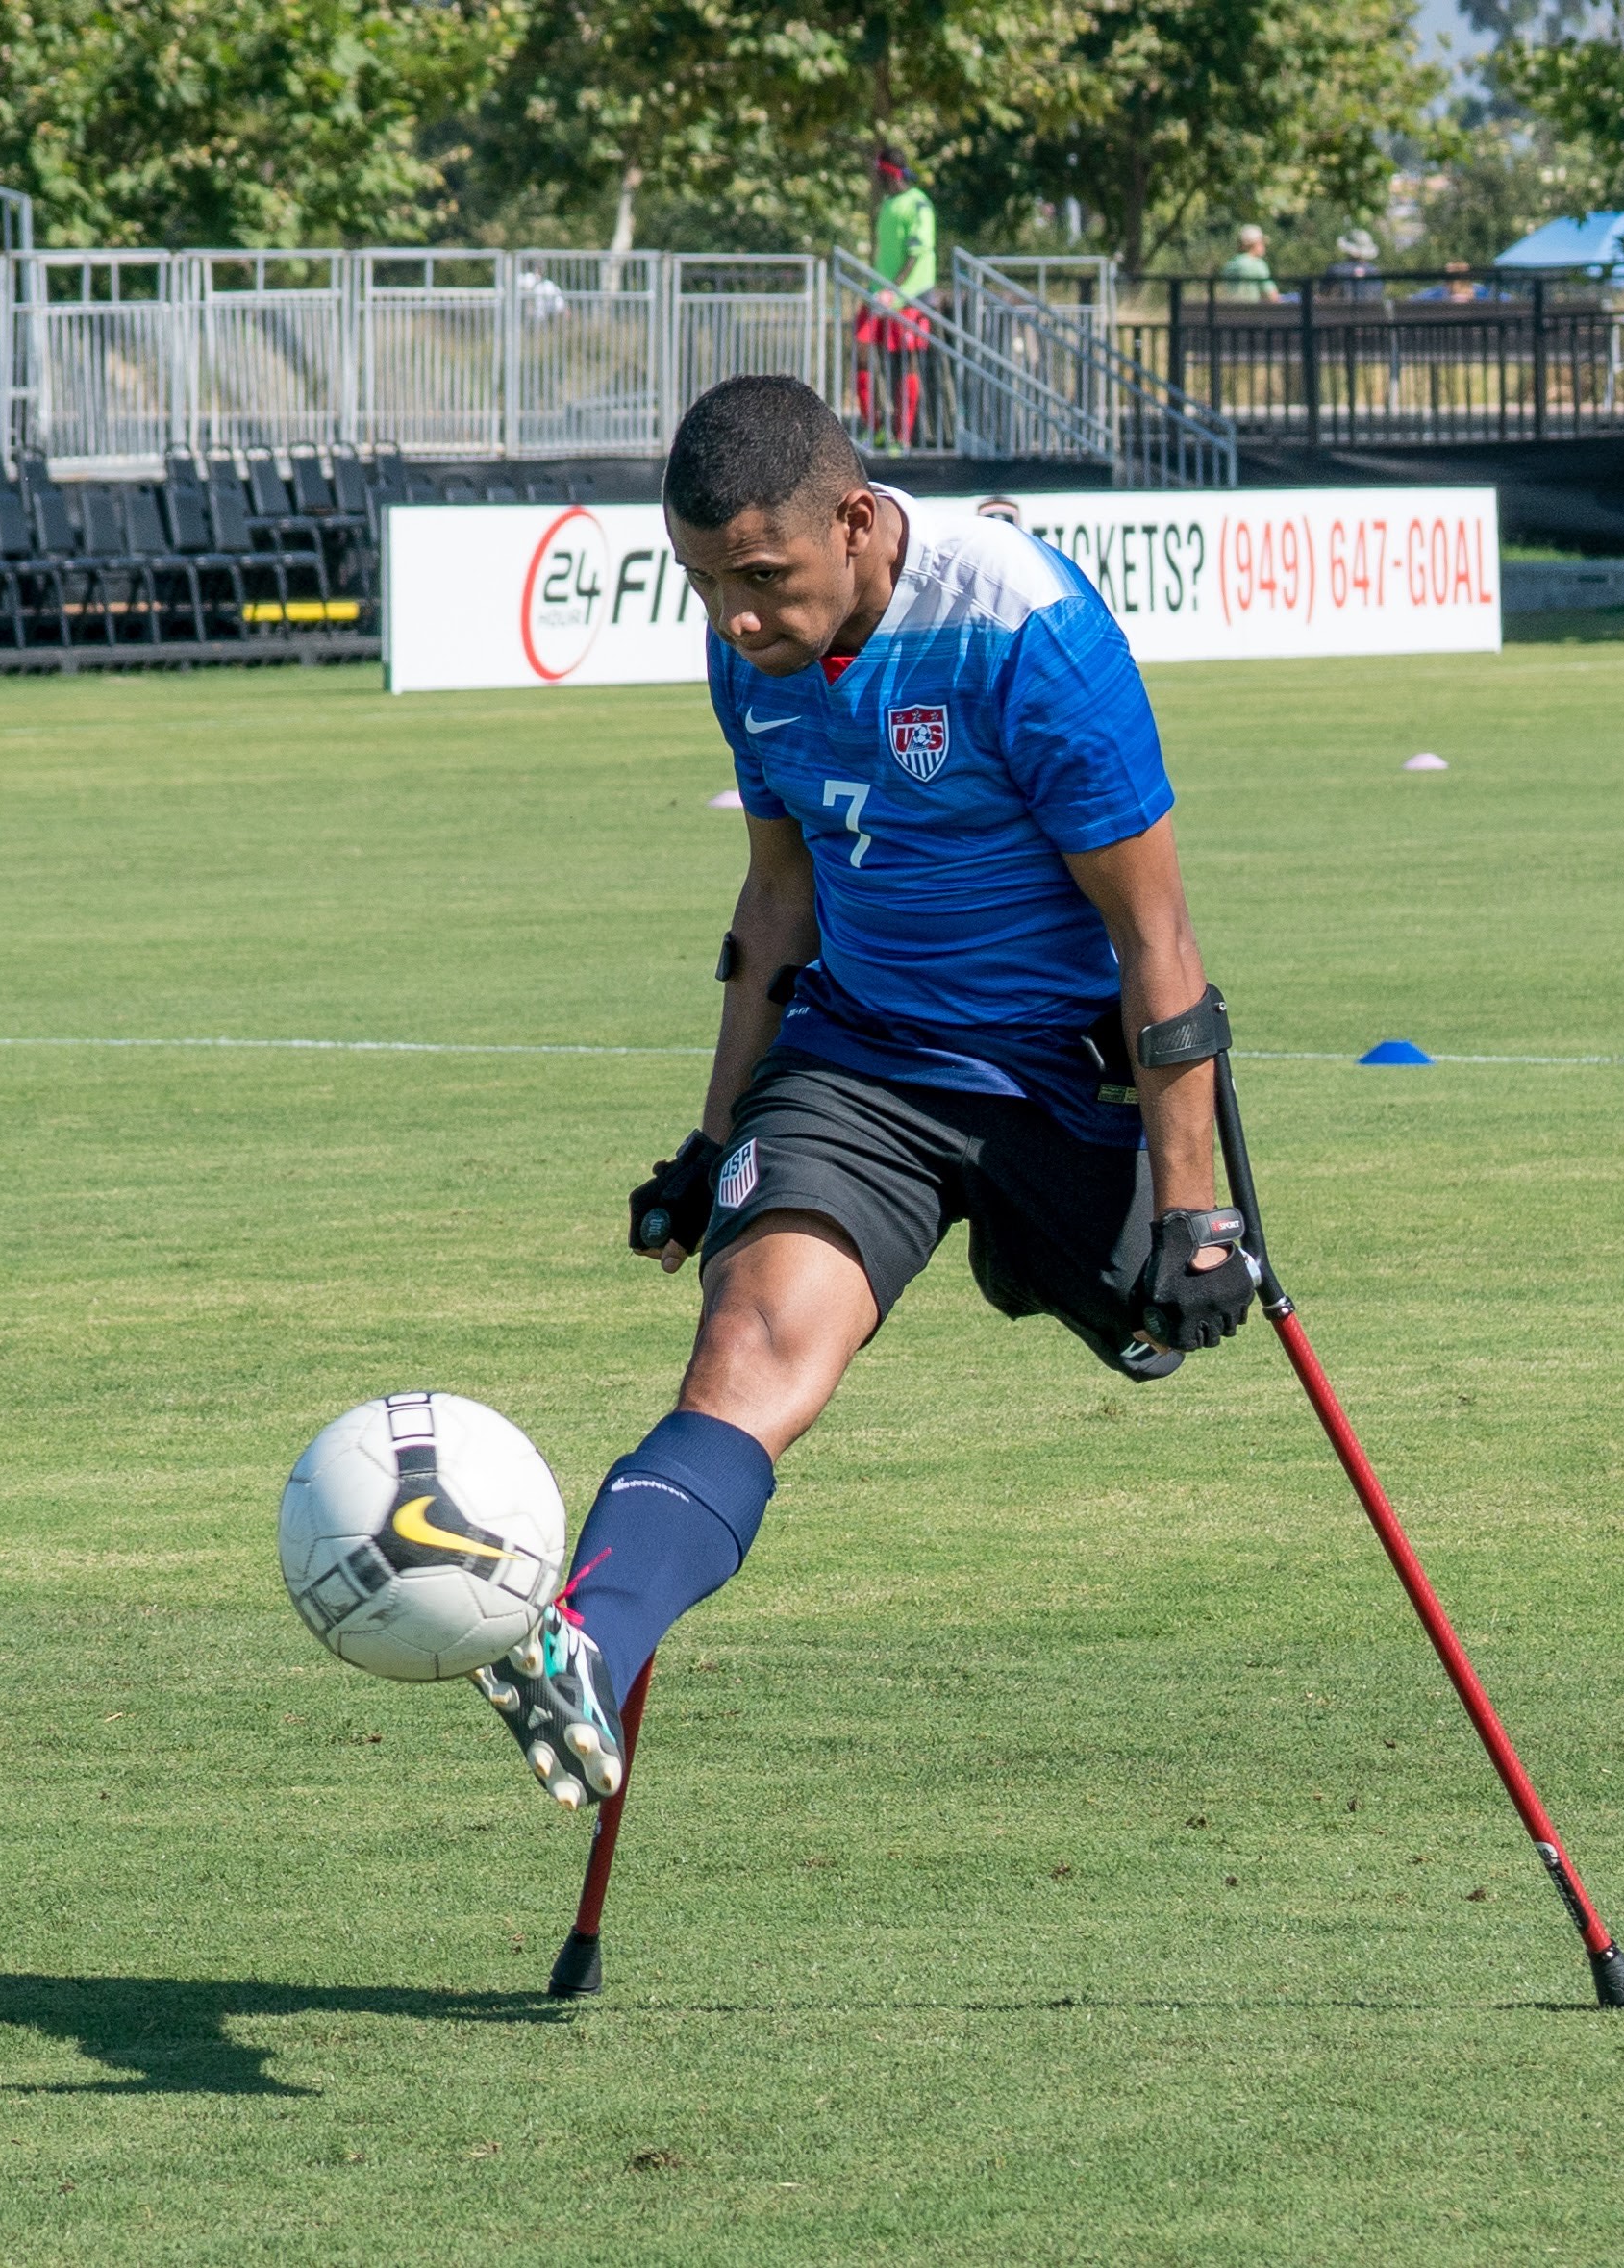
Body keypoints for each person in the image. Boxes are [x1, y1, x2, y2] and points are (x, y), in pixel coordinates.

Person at [466, 375, 1255, 1810]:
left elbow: (1158, 944)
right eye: (703, 584)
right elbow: (774, 905)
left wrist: (1196, 1213)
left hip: (1057, 1073)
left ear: (853, 517)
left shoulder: (1028, 628)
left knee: (1156, 1331)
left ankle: (1033, 1252)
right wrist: (713, 1141)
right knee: (750, 1351)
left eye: (760, 580)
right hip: (860, 1066)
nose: (735, 619)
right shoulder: (747, 654)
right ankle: (580, 1640)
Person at [856, 147, 937, 451]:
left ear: (887, 172)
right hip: (881, 298)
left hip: (908, 299)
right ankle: (874, 427)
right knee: (862, 352)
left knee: (904, 363)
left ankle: (901, 436)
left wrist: (895, 291)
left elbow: (916, 254)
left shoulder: (918, 204)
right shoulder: (887, 205)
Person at [1218, 224, 1279, 304]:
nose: (1264, 246)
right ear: (1254, 244)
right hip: (1252, 313)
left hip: (1229, 314)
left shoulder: (1230, 265)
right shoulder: (1257, 264)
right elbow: (1273, 297)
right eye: (1262, 242)